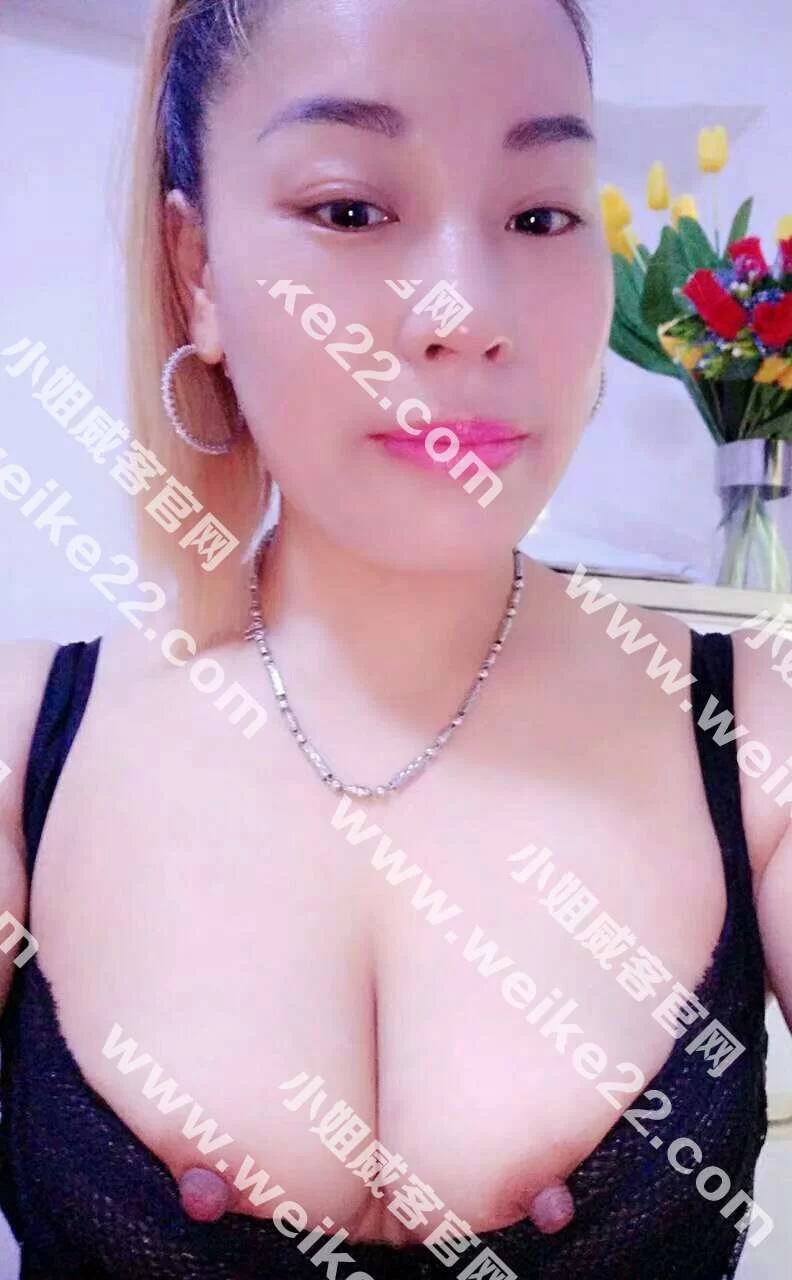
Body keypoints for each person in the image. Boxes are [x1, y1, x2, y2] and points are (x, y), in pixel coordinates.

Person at [0, 0, 789, 1275]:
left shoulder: (749, 732)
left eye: (540, 216)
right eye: (353, 209)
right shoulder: (26, 742)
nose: (465, 311)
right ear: (198, 269)